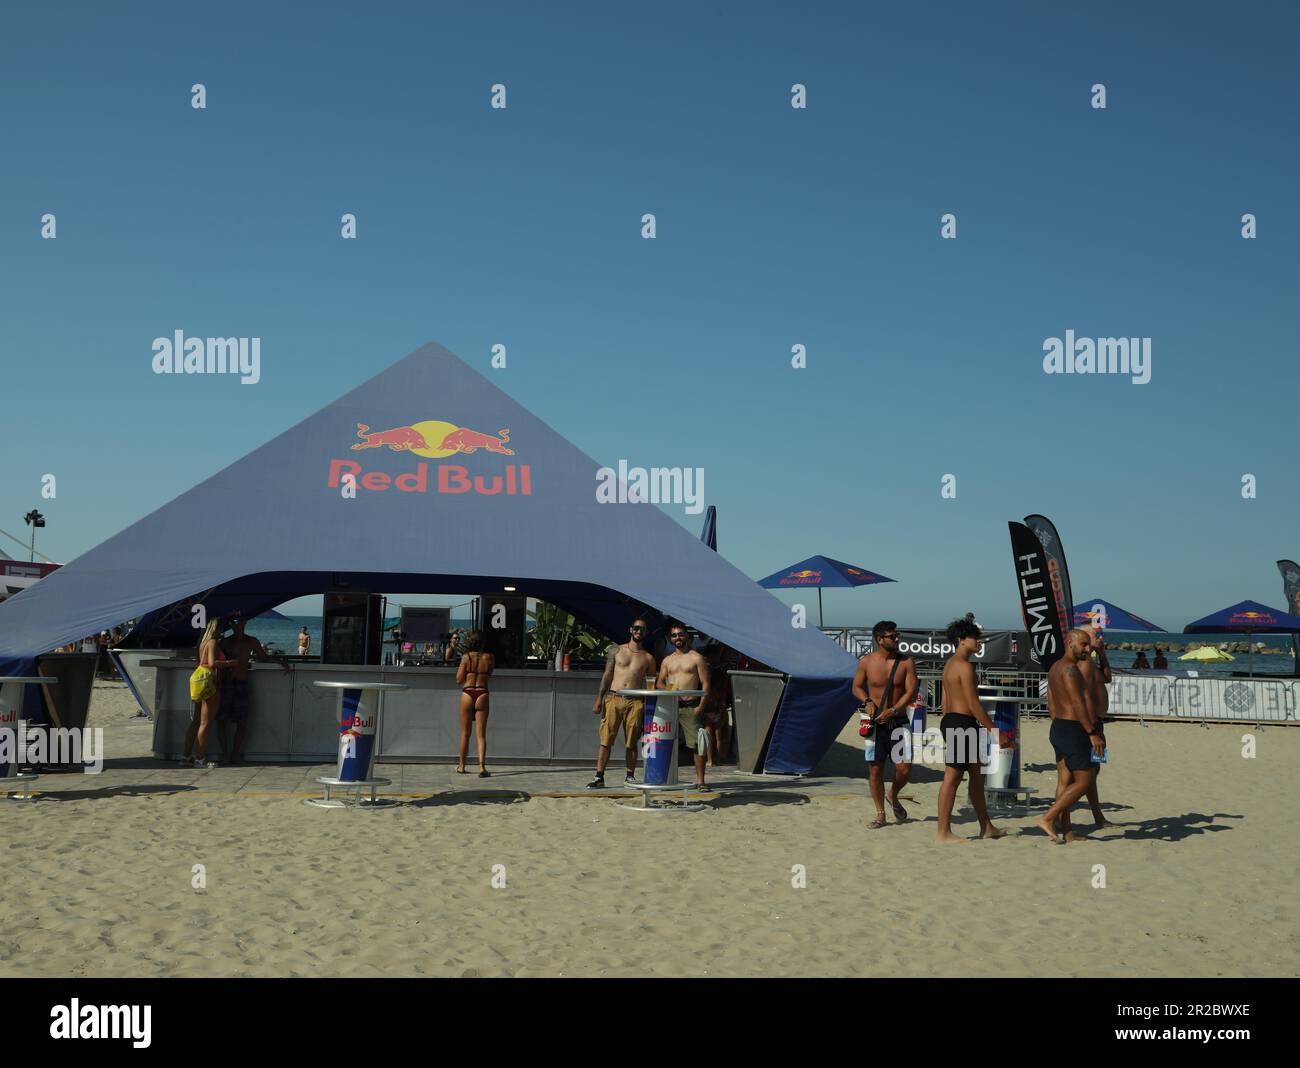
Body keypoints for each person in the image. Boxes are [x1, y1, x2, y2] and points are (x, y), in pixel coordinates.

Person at [935, 617, 1005, 843]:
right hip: (961, 722)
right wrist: (996, 732)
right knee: (953, 776)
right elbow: (974, 704)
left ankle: (986, 826)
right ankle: (943, 832)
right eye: (976, 638)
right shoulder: (964, 666)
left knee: (977, 774)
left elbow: (945, 701)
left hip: (955, 721)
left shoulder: (950, 664)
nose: (980, 642)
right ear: (961, 640)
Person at [1036, 629, 1106, 842]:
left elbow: (1052, 703)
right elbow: (1078, 704)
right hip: (1074, 728)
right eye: (1083, 644)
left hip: (1060, 727)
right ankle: (1048, 818)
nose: (1088, 649)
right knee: (1085, 780)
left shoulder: (1055, 667)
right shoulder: (1070, 670)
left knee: (1065, 782)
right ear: (1070, 643)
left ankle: (1067, 831)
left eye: (1088, 644)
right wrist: (1092, 733)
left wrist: (1059, 725)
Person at [851, 620, 918, 828]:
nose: (897, 638)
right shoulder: (867, 661)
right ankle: (880, 814)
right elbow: (856, 687)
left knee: (904, 769)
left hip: (898, 721)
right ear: (880, 639)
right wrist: (867, 701)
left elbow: (911, 691)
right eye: (892, 636)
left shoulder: (906, 661)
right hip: (875, 723)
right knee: (875, 770)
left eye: (897, 635)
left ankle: (893, 795)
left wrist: (894, 709)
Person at [586, 618, 657, 788]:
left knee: (631, 741)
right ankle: (599, 776)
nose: (639, 631)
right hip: (614, 698)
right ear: (630, 630)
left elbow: (652, 683)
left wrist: (650, 706)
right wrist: (599, 698)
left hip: (635, 701)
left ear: (646, 633)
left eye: (642, 629)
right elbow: (607, 675)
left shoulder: (648, 658)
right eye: (636, 628)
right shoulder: (616, 650)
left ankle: (630, 776)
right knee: (605, 740)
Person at [218, 616, 291, 764]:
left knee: (242, 722)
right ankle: (224, 754)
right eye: (234, 623)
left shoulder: (251, 641)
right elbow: (214, 660)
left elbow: (263, 657)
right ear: (230, 624)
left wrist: (279, 660)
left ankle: (234, 754)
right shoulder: (225, 642)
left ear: (245, 623)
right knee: (221, 721)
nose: (237, 625)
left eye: (240, 622)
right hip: (226, 684)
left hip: (242, 683)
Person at [656, 621, 711, 789]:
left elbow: (706, 684)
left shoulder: (696, 657)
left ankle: (700, 782)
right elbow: (659, 682)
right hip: (670, 706)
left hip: (690, 705)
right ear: (670, 638)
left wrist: (701, 706)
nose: (677, 638)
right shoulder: (667, 660)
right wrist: (669, 692)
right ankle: (662, 779)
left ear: (687, 635)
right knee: (663, 742)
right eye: (674, 635)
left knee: (697, 744)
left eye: (680, 634)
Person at [1074, 625, 1114, 830]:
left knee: (1094, 769)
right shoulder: (1083, 663)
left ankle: (1098, 816)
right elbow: (1084, 697)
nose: (1099, 638)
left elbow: (1107, 678)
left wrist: (1103, 654)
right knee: (1082, 774)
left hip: (1096, 722)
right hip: (1090, 725)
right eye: (1095, 635)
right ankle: (1058, 814)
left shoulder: (1091, 661)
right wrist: (1091, 730)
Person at [182, 617, 232, 768]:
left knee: (196, 721)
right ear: (216, 629)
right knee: (206, 723)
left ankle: (186, 756)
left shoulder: (203, 643)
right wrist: (231, 662)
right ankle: (200, 758)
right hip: (211, 684)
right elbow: (211, 663)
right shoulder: (212, 642)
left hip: (200, 683)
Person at [455, 630, 494, 776]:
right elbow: (489, 674)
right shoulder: (490, 657)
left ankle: (462, 766)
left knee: (465, 734)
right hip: (482, 693)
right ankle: (482, 767)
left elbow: (458, 680)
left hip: (468, 692)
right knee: (481, 734)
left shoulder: (466, 657)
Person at [701, 644, 732, 768]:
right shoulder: (722, 670)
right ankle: (717, 759)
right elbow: (724, 688)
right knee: (717, 734)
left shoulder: (707, 669)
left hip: (710, 704)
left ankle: (710, 760)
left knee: (710, 734)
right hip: (718, 704)